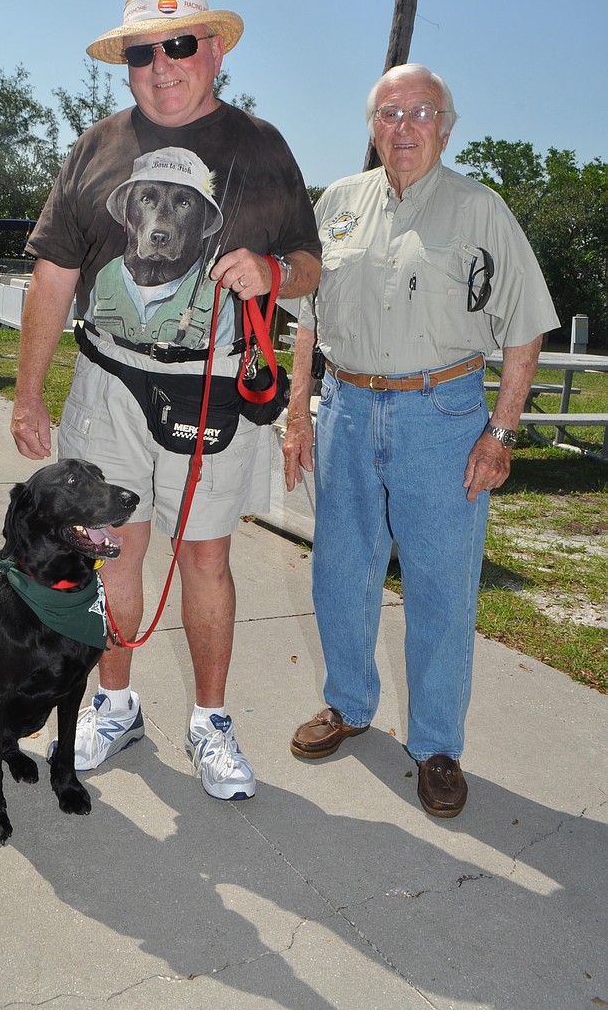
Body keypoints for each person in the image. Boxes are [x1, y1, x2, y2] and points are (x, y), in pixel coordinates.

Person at [11, 0, 321, 800]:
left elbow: (310, 266)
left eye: (180, 44)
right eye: (144, 50)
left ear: (213, 50)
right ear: (127, 63)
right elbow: (50, 277)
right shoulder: (97, 145)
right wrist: (28, 393)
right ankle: (114, 702)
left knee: (207, 557)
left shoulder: (261, 147)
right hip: (108, 380)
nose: (164, 63)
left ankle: (211, 722)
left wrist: (272, 270)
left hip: (211, 390)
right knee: (113, 548)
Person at [282, 64, 558, 818]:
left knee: (439, 584)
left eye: (420, 111)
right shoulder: (336, 204)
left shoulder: (481, 209)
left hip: (442, 416)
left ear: (445, 124)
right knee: (341, 569)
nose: (403, 126)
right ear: (373, 125)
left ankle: (438, 745)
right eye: (389, 112)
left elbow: (526, 326)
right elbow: (307, 316)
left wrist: (500, 432)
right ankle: (347, 703)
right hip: (344, 406)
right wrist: (299, 410)